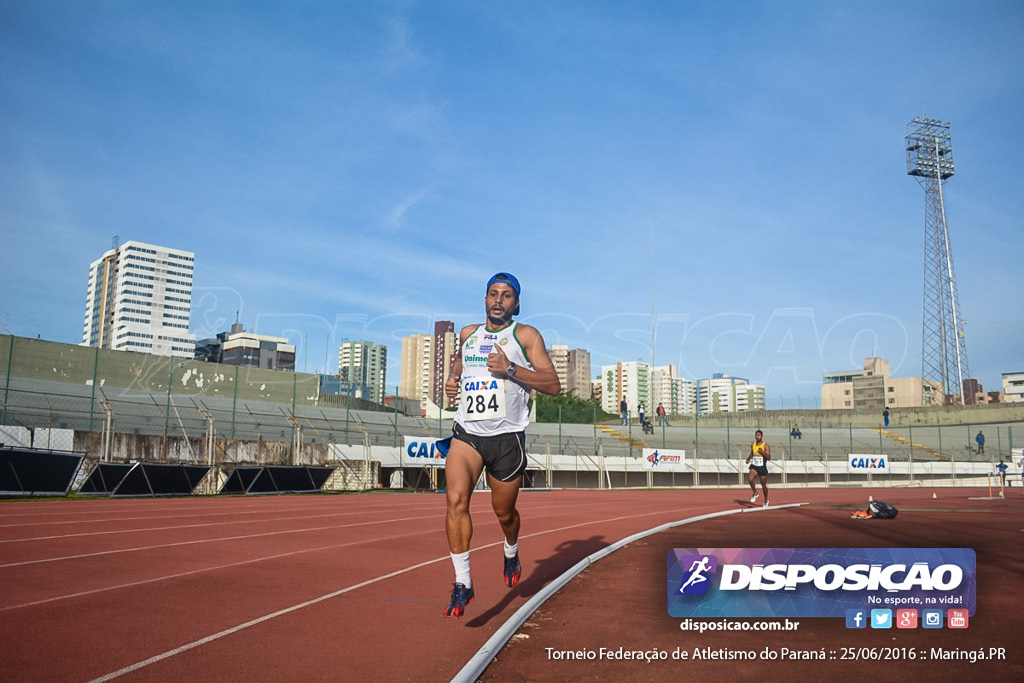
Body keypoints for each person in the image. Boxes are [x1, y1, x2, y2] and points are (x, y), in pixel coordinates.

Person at [441, 272, 560, 618]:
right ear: (484, 300)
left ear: (516, 303)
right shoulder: (468, 334)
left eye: (506, 295)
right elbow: (460, 361)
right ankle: (463, 582)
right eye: (493, 294)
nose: (498, 300)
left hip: (507, 439)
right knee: (455, 499)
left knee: (504, 513)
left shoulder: (525, 336)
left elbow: (553, 384)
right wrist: (452, 379)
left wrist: (510, 369)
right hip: (468, 434)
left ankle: (511, 549)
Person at [745, 429, 771, 507]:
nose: (757, 436)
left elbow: (769, 457)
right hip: (754, 465)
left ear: (762, 436)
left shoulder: (766, 445)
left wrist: (762, 452)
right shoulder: (753, 445)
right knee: (750, 479)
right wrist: (748, 459)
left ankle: (766, 500)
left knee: (763, 485)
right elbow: (752, 453)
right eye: (756, 435)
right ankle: (755, 493)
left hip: (762, 466)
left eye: (759, 435)